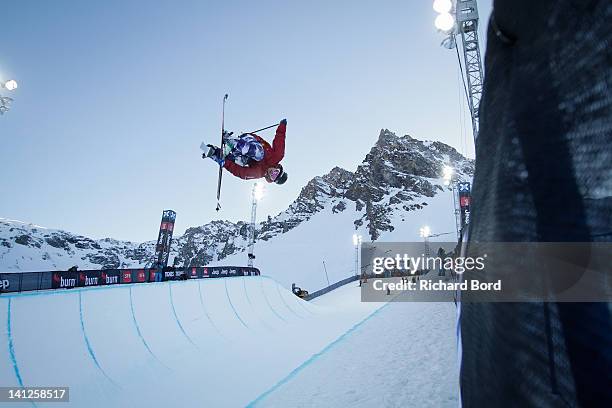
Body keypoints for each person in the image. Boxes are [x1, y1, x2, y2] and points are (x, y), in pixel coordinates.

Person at [202, 119, 288, 184]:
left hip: (242, 154)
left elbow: (241, 172)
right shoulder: (277, 156)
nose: (272, 173)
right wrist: (282, 126)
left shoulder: (259, 173)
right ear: (278, 168)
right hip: (249, 141)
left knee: (240, 162)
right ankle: (231, 140)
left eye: (273, 176)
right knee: (259, 154)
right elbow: (279, 139)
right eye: (276, 172)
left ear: (271, 179)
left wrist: (224, 162)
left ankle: (216, 152)